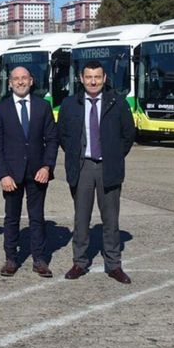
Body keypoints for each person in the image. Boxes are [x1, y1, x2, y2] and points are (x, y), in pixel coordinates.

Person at [58, 60, 135, 284]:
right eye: (89, 77)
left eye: (97, 77)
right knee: (81, 218)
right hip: (82, 167)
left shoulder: (117, 103)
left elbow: (128, 133)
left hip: (108, 167)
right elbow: (63, 135)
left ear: (104, 79)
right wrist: (76, 155)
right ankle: (79, 262)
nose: (93, 81)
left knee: (110, 218)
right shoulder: (70, 104)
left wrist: (115, 155)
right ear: (81, 79)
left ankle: (113, 264)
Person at [0, 66, 58, 278]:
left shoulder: (43, 106)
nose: (20, 82)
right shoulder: (1, 108)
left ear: (31, 81)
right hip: (11, 174)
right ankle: (11, 258)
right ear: (9, 83)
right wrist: (3, 174)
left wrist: (47, 166)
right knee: (12, 217)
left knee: (37, 217)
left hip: (38, 173)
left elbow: (52, 140)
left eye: (24, 78)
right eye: (16, 79)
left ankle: (39, 259)